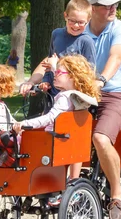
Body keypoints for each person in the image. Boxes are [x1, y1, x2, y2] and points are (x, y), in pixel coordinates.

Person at [84, 0, 121, 219]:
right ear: (92, 9)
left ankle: (117, 195)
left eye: (114, 3)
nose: (114, 8)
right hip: (84, 94)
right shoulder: (80, 30)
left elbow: (116, 56)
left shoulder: (120, 29)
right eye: (107, 5)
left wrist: (101, 79)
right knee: (57, 135)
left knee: (101, 139)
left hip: (117, 93)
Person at [13, 55, 100, 186]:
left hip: (52, 141)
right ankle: (71, 182)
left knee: (19, 138)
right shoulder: (78, 97)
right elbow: (64, 74)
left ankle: (21, 179)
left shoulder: (64, 98)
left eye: (58, 73)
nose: (55, 75)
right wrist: (55, 67)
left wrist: (25, 123)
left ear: (72, 77)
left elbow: (49, 118)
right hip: (69, 142)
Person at [19, 0, 96, 96]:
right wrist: (45, 81)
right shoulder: (56, 34)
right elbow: (49, 65)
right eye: (72, 20)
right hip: (53, 95)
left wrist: (55, 66)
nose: (76, 25)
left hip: (73, 97)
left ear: (88, 20)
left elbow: (89, 75)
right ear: (65, 16)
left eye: (81, 22)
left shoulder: (86, 41)